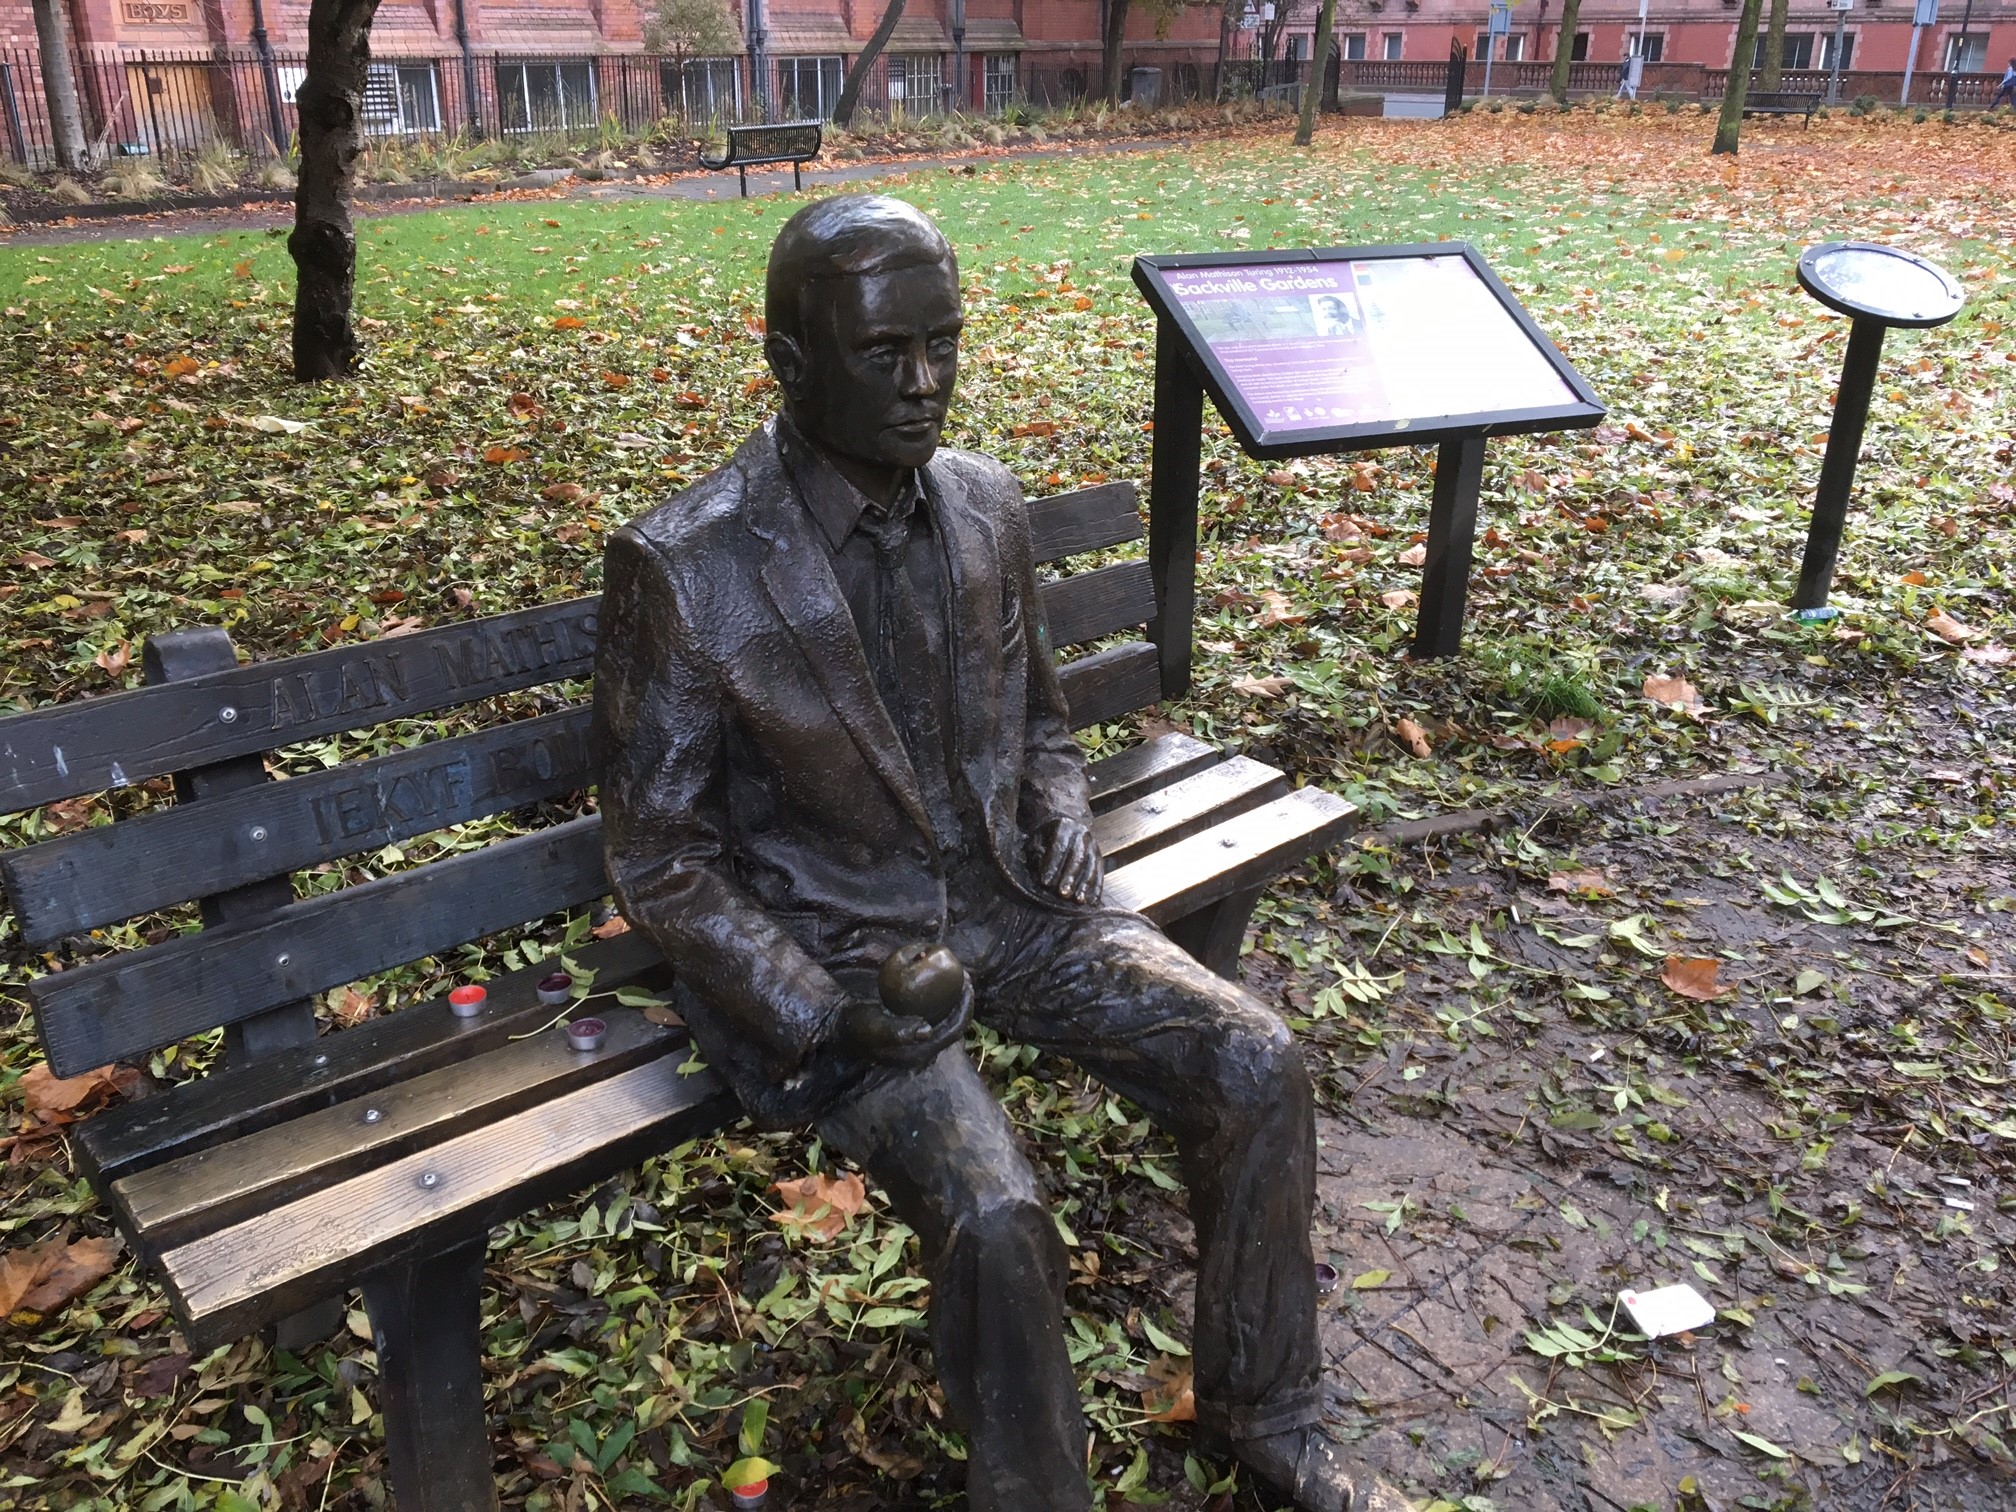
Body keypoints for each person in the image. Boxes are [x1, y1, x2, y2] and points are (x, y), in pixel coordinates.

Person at [594, 194, 1402, 1512]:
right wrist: (820, 1008)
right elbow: (662, 857)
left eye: (944, 343)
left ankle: (1269, 1413)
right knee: (997, 1211)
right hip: (848, 963)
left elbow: (1036, 725)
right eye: (882, 354)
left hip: (1018, 910)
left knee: (1256, 1061)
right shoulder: (688, 568)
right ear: (790, 364)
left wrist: (1062, 818)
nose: (925, 386)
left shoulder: (983, 505)